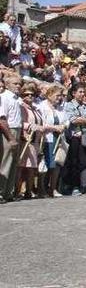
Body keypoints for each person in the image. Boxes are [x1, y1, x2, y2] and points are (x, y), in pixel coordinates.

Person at [63, 85, 86, 196]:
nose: (83, 94)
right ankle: (73, 186)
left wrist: (82, 120)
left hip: (85, 137)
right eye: (80, 92)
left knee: (84, 162)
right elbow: (73, 120)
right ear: (74, 93)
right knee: (73, 162)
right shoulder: (69, 105)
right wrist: (85, 120)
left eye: (84, 92)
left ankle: (80, 184)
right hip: (73, 137)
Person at [37, 84, 67, 198]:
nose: (60, 98)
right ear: (49, 95)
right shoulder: (42, 107)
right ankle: (41, 188)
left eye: (61, 96)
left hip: (58, 139)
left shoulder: (60, 108)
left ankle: (53, 188)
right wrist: (55, 128)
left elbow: (66, 120)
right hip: (47, 138)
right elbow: (42, 124)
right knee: (44, 164)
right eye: (57, 95)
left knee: (57, 164)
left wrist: (64, 126)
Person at [17, 82, 44, 199]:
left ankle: (29, 190)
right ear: (23, 95)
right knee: (22, 166)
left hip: (35, 140)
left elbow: (40, 122)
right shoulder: (21, 107)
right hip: (25, 139)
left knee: (32, 167)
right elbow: (20, 122)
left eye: (32, 95)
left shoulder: (35, 109)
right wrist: (30, 127)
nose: (30, 97)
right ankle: (17, 190)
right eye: (27, 94)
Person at [0, 74, 24, 202]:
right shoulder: (4, 98)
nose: (18, 86)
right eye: (15, 84)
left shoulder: (16, 99)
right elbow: (2, 119)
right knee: (6, 161)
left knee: (14, 163)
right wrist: (10, 137)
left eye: (19, 84)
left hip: (17, 130)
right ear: (7, 84)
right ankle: (1, 191)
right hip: (8, 131)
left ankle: (8, 192)